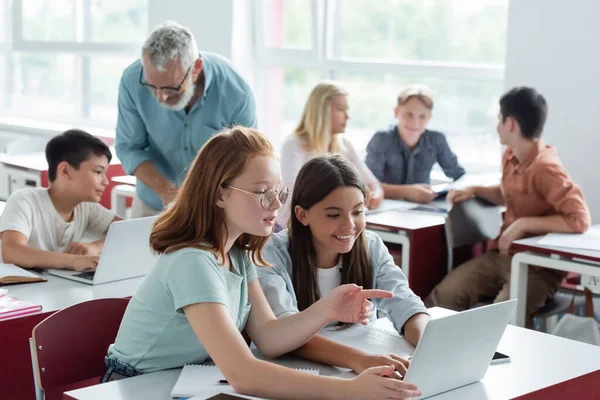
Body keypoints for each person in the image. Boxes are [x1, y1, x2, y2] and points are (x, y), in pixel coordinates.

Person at [104, 127, 421, 399]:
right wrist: (348, 390)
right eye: (261, 193)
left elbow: (269, 338)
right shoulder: (193, 262)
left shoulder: (239, 254)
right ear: (220, 195)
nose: (276, 204)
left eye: (278, 192)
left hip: (184, 381)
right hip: (135, 386)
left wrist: (328, 308)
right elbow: (243, 373)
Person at [425, 87, 591, 327]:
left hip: (537, 267)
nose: (497, 126)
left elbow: (579, 219)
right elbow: (509, 194)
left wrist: (523, 225)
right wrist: (475, 190)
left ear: (510, 123)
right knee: (443, 298)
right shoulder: (511, 155)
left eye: (499, 119)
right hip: (502, 256)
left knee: (500, 320)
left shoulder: (546, 168)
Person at [260, 154, 430, 355]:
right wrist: (359, 360)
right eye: (333, 215)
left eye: (357, 212)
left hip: (360, 365)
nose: (349, 225)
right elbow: (285, 332)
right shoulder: (272, 254)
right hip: (303, 370)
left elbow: (404, 302)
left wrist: (429, 342)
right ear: (302, 215)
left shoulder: (371, 246)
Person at [116, 21, 256, 218]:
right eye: (151, 86)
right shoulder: (132, 80)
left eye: (170, 88)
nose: (160, 97)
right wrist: (165, 189)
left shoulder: (237, 93)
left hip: (212, 208)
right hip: (154, 202)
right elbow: (129, 147)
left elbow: (246, 160)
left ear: (196, 68)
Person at [0, 129, 120, 271]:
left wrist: (95, 247)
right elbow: (12, 252)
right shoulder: (24, 201)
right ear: (65, 170)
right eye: (98, 172)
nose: (105, 182)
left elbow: (130, 231)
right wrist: (74, 260)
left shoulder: (86, 207)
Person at [277, 82, 384, 227]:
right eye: (341, 109)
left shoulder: (344, 145)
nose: (348, 116)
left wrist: (375, 195)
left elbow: (373, 183)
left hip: (330, 225)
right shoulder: (293, 144)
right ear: (321, 111)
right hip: (293, 227)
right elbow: (296, 192)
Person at [365, 84, 465, 204]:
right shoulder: (382, 139)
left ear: (429, 117)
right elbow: (369, 185)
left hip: (423, 211)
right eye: (409, 114)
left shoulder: (436, 140)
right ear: (396, 112)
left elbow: (459, 174)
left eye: (422, 116)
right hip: (386, 209)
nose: (415, 122)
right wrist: (407, 191)